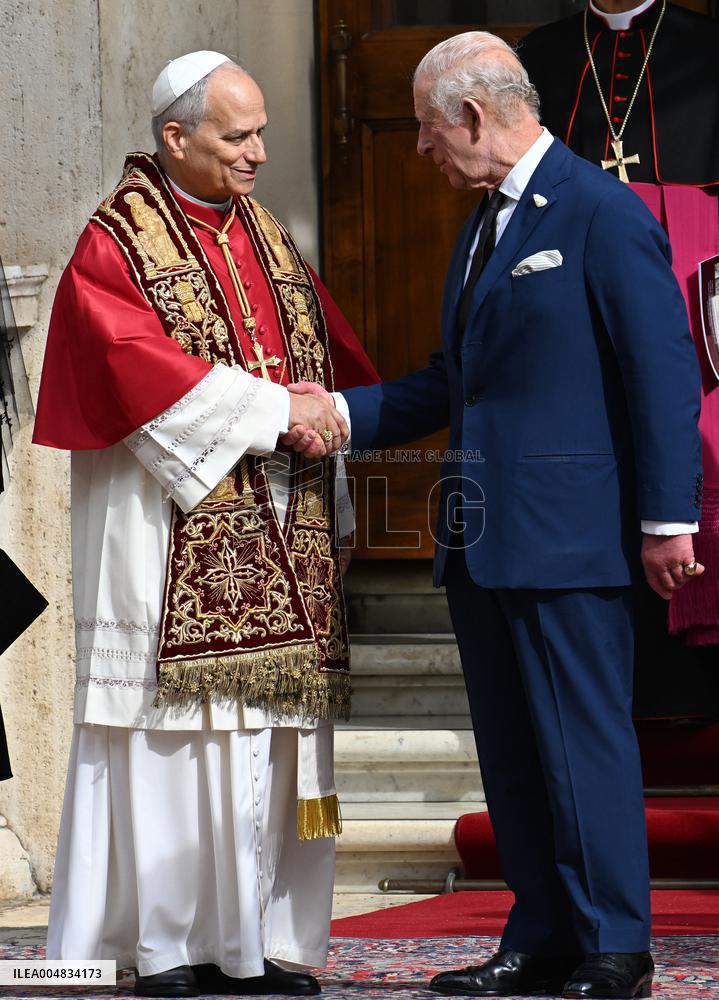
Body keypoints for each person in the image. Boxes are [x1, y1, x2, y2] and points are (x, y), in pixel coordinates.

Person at [290, 30, 703, 1000]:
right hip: (479, 537)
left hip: (567, 536)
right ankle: (539, 934)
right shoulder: (482, 225)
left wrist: (665, 519)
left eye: (430, 131)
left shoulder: (598, 213)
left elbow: (660, 372)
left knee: (579, 741)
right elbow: (454, 381)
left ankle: (614, 943)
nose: (423, 151)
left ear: (472, 116)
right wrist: (339, 414)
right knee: (513, 751)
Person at [33, 52, 377, 997]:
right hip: (166, 529)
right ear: (175, 137)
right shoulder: (117, 242)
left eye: (262, 130)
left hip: (279, 515)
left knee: (268, 736)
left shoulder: (264, 232)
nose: (260, 152)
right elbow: (128, 366)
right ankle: (164, 948)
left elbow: (327, 362)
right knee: (174, 737)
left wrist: (322, 419)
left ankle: (262, 944)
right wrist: (275, 414)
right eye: (238, 135)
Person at [518, 0, 719, 719]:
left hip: (695, 288)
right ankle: (621, 693)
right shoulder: (540, 52)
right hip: (569, 289)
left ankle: (695, 685)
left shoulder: (704, 45)